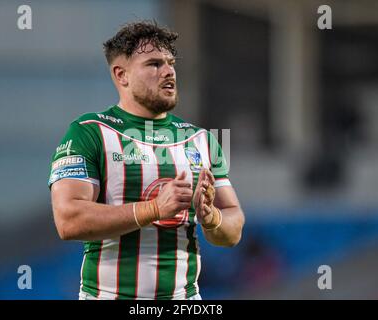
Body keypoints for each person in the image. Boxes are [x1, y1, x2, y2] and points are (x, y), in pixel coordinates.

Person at [48, 21, 245, 300]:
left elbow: (233, 228)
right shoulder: (90, 132)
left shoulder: (200, 139)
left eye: (170, 62)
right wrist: (153, 209)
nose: (168, 71)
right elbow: (68, 220)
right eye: (154, 64)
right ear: (122, 75)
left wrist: (212, 218)